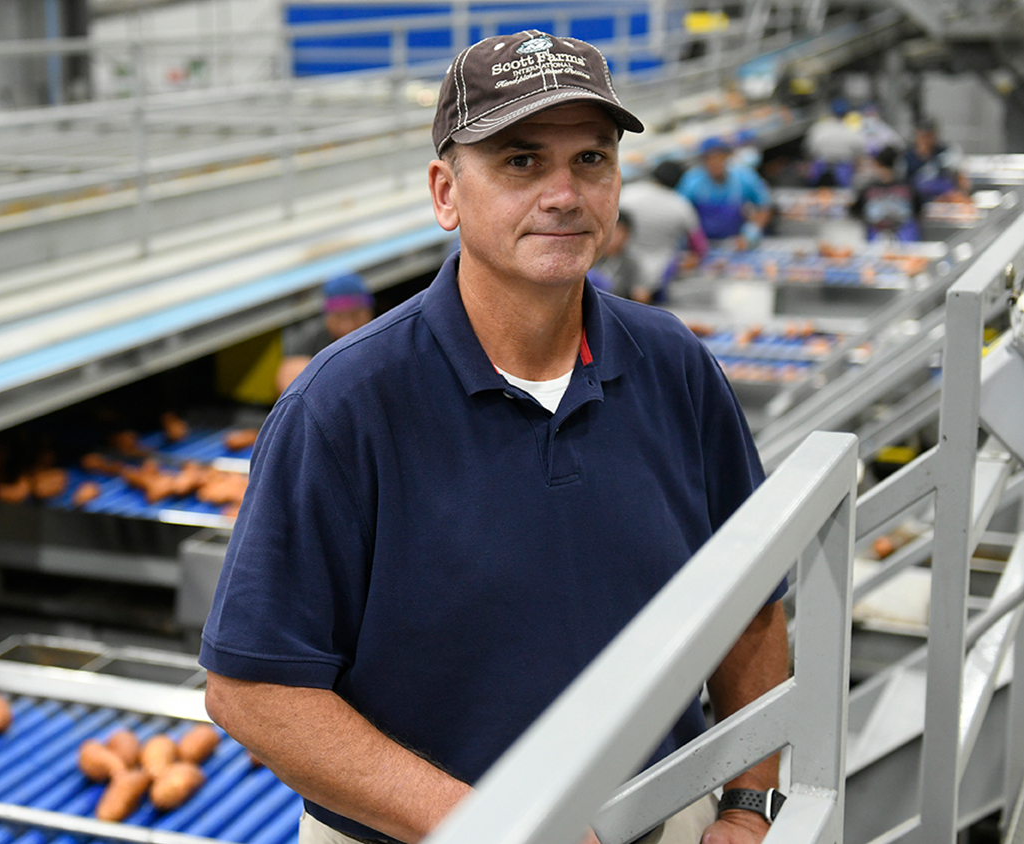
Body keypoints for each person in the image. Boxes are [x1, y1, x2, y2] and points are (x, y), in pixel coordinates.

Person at [202, 29, 789, 844]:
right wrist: (497, 829)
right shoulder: (345, 407)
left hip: (660, 815)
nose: (564, 193)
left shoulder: (672, 366)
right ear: (446, 192)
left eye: (592, 159)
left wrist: (749, 801)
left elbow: (752, 601)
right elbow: (252, 690)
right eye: (520, 162)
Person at [275, 273, 376, 393]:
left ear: (369, 312)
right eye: (339, 317)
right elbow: (288, 378)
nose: (347, 325)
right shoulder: (309, 336)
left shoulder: (379, 334)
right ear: (326, 317)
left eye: (355, 316)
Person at [619, 159, 709, 292]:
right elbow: (699, 246)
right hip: (661, 272)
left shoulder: (628, 194)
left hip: (623, 268)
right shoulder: (680, 205)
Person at [678, 137, 772, 250]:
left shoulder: (743, 177)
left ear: (726, 157)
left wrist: (751, 233)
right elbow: (679, 212)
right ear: (703, 161)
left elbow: (764, 205)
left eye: (719, 157)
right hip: (705, 244)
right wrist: (692, 242)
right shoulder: (692, 182)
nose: (715, 162)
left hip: (737, 242)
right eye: (710, 159)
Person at [852, 147, 921, 242]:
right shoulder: (908, 187)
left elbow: (856, 211)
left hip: (896, 234)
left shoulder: (869, 189)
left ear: (878, 165)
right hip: (887, 234)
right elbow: (918, 209)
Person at [588, 213, 652, 302]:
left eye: (619, 232)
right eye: (612, 231)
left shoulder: (632, 263)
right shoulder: (591, 258)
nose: (614, 237)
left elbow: (641, 293)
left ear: (627, 235)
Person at [803, 98, 867, 187]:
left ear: (831, 111)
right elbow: (860, 153)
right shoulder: (851, 131)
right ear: (847, 113)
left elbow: (808, 150)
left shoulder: (818, 128)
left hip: (821, 167)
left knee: (815, 194)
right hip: (842, 169)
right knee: (845, 196)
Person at [903, 118, 962, 201]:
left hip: (945, 200)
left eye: (929, 136)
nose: (926, 140)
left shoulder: (946, 153)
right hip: (917, 201)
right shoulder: (907, 157)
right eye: (923, 136)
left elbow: (959, 178)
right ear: (916, 136)